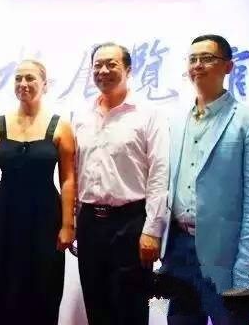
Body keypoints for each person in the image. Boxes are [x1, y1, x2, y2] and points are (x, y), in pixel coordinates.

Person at [160, 35, 249, 325]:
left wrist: (247, 271)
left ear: (228, 67)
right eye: (193, 59)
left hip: (227, 256)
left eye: (207, 58)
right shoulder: (176, 121)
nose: (198, 65)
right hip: (179, 250)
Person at [0, 59, 76, 325]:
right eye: (18, 79)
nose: (23, 84)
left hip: (45, 218)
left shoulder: (60, 126)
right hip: (3, 217)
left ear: (45, 84)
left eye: (30, 78)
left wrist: (67, 225)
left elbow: (67, 179)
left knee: (42, 288)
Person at [73, 42, 169, 325]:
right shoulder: (82, 116)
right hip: (90, 223)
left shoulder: (148, 114)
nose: (103, 70)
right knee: (96, 305)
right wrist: (74, 221)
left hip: (130, 223)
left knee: (130, 308)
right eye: (97, 65)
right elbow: (75, 171)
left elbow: (159, 173)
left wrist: (152, 230)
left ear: (128, 69)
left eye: (111, 64)